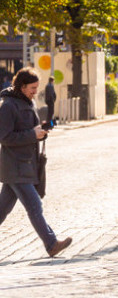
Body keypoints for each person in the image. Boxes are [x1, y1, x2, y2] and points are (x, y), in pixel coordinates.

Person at [0, 68, 72, 257]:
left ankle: (51, 243)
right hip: (15, 166)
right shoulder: (8, 106)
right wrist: (33, 134)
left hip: (24, 165)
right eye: (32, 88)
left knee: (2, 210)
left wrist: (40, 132)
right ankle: (51, 244)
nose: (35, 92)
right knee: (34, 206)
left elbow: (27, 131)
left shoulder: (27, 102)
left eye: (36, 88)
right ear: (22, 86)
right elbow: (5, 137)